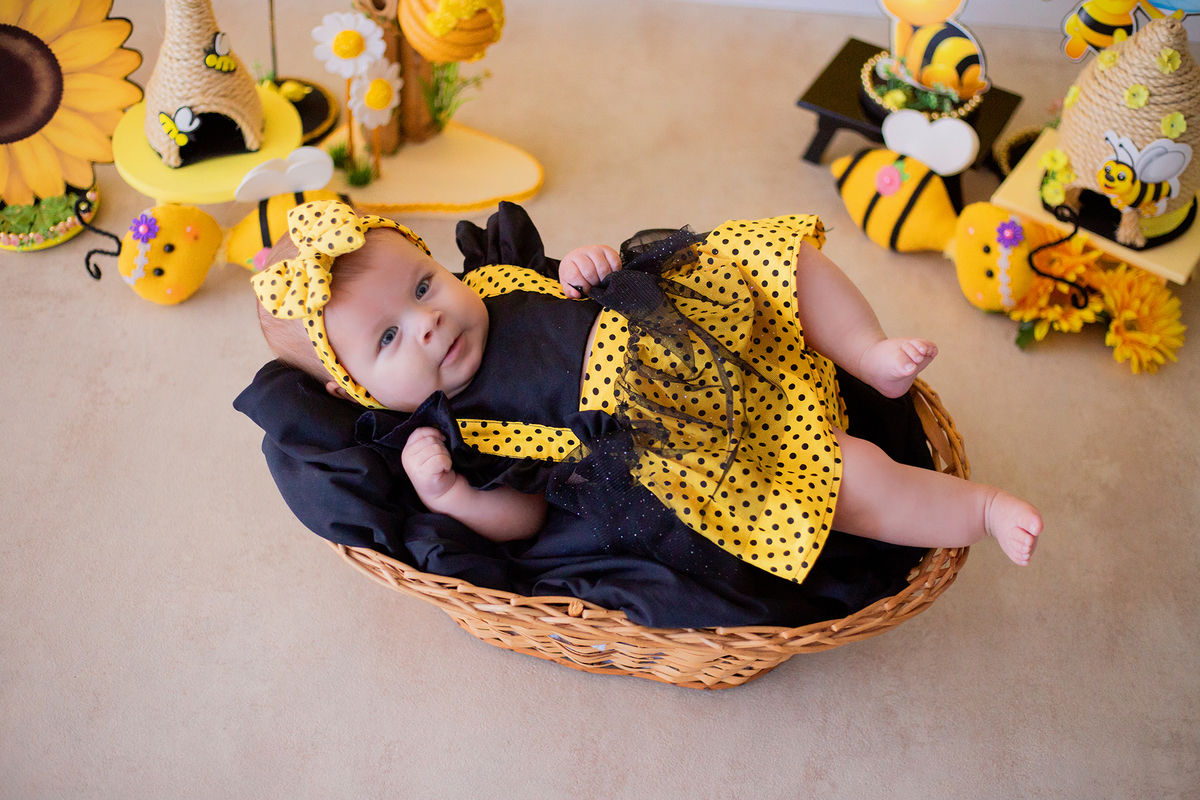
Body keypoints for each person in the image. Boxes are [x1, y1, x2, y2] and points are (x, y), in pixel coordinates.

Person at [254, 200, 1041, 588]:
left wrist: (581, 270)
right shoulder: (458, 430)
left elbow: (558, 281)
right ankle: (979, 508)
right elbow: (524, 518)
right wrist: (451, 493)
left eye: (423, 284)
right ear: (351, 386)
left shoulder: (489, 282)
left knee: (769, 257)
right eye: (388, 339)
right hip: (683, 434)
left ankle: (868, 354)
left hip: (685, 324)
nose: (426, 323)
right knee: (840, 483)